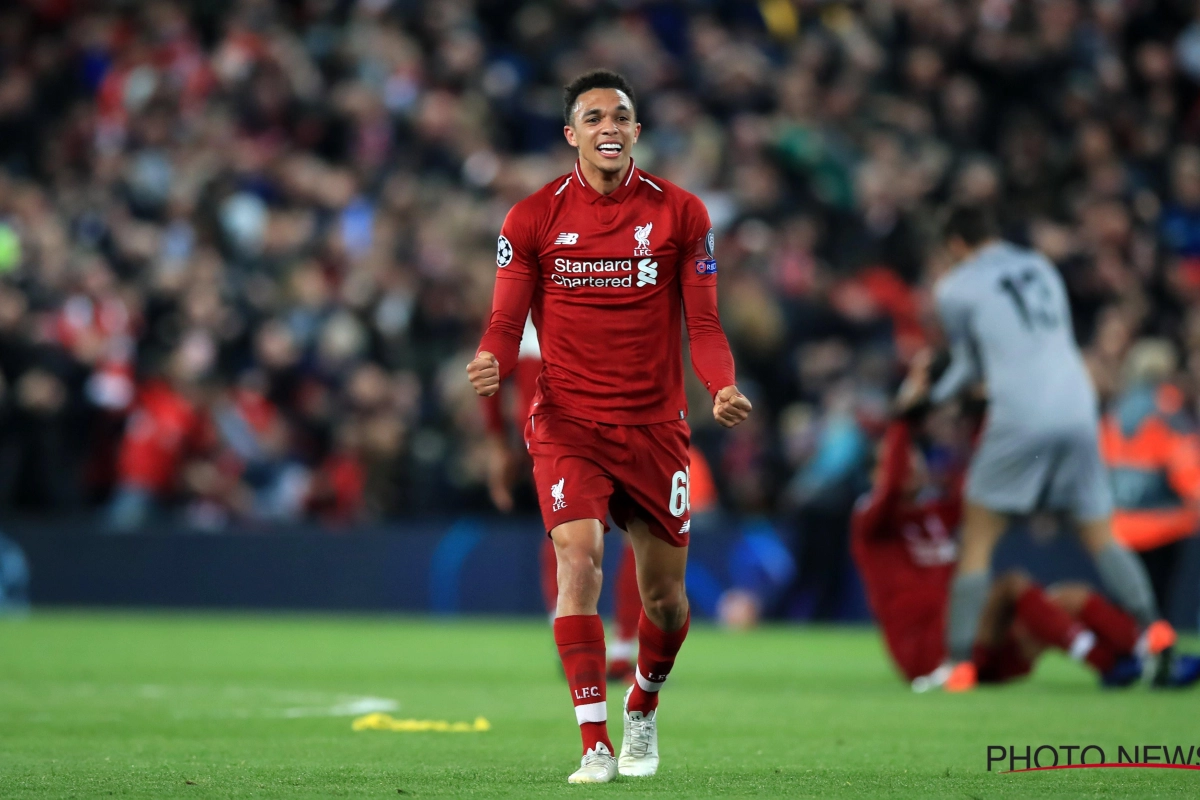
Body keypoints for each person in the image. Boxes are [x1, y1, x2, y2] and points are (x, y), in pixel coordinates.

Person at [467, 69, 750, 784]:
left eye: (621, 115)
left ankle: (643, 707)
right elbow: (504, 324)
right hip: (568, 424)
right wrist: (489, 362)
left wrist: (722, 387)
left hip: (656, 427)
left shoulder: (682, 214)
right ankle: (593, 740)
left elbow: (706, 324)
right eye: (594, 117)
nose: (609, 127)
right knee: (580, 562)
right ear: (572, 135)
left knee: (665, 600)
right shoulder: (530, 219)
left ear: (637, 131)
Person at [929, 206, 1173, 691]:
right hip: (1078, 404)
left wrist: (926, 400)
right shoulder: (1041, 266)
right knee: (1101, 535)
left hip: (1021, 411)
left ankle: (958, 664)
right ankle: (1154, 628)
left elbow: (967, 367)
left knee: (978, 540)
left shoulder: (955, 288)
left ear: (956, 245)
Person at [853, 354, 1200, 690]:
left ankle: (1150, 657)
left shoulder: (932, 515)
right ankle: (1108, 663)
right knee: (1011, 586)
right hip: (925, 653)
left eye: (916, 459)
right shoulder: (871, 521)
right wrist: (905, 418)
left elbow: (977, 484)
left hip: (971, 640)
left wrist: (979, 416)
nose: (913, 467)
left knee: (1072, 597)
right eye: (901, 462)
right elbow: (893, 484)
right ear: (876, 475)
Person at [480, 313, 641, 681]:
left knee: (565, 531)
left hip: (547, 421)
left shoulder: (524, 290)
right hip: (603, 412)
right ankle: (618, 650)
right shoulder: (605, 278)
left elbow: (489, 364)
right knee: (631, 531)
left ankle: (571, 639)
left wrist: (498, 443)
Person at [1099, 339, 1200, 618]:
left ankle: (1126, 659)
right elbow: (1185, 466)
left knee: (1124, 608)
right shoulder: (1169, 412)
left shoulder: (1116, 409)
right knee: (1157, 609)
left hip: (1117, 525)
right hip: (1163, 526)